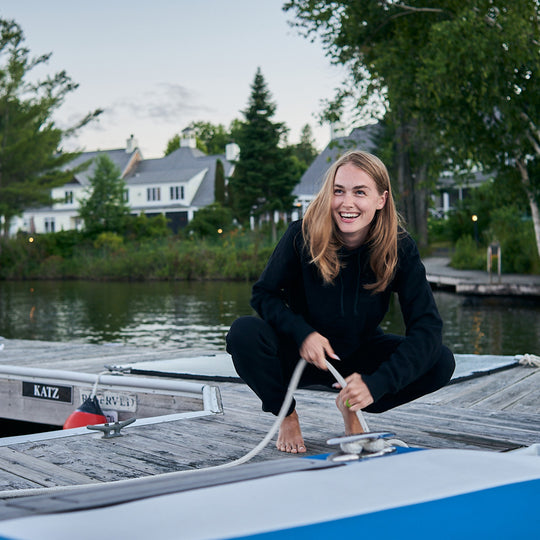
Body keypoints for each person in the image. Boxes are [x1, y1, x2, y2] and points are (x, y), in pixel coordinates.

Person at [226, 150, 455, 453]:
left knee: (440, 360)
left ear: (381, 200)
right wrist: (302, 333)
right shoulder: (302, 235)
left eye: (360, 192)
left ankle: (353, 403)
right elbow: (264, 295)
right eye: (339, 191)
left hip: (360, 355)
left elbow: (426, 327)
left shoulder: (400, 248)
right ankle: (286, 414)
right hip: (303, 355)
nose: (347, 203)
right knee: (242, 333)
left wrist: (377, 384)